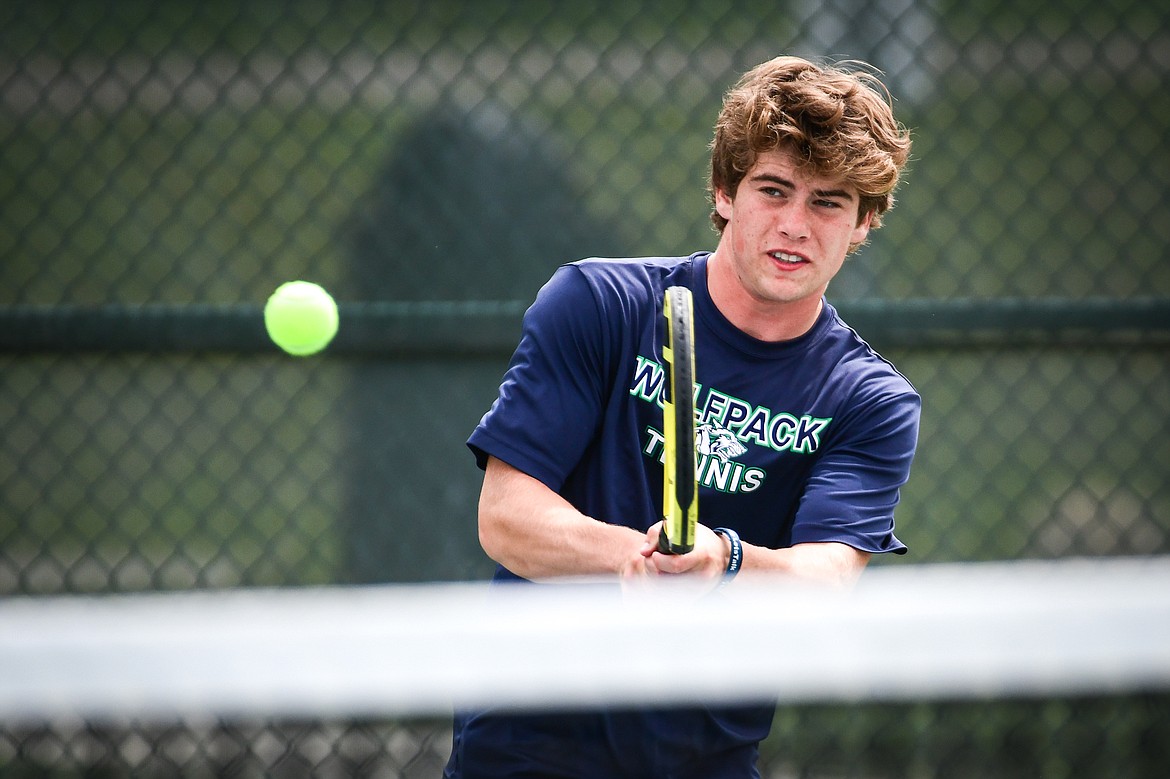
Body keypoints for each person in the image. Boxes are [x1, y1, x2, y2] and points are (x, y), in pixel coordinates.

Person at [444, 54, 919, 779]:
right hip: (530, 734)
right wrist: (635, 558)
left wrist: (721, 561)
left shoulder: (869, 400)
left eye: (828, 202)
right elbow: (506, 518)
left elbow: (823, 580)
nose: (795, 225)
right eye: (774, 189)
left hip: (706, 756)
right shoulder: (598, 306)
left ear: (864, 222)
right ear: (725, 191)